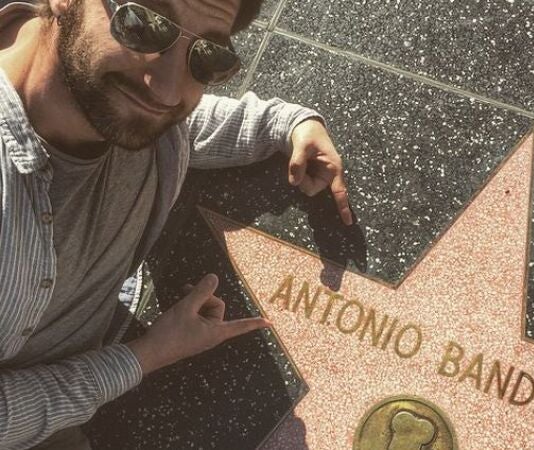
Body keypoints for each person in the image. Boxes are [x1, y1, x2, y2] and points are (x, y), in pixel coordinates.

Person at [0, 0, 353, 447]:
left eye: (207, 57)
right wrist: (145, 356)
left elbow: (173, 122)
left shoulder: (115, 98)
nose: (166, 91)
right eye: (142, 25)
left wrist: (287, 123)